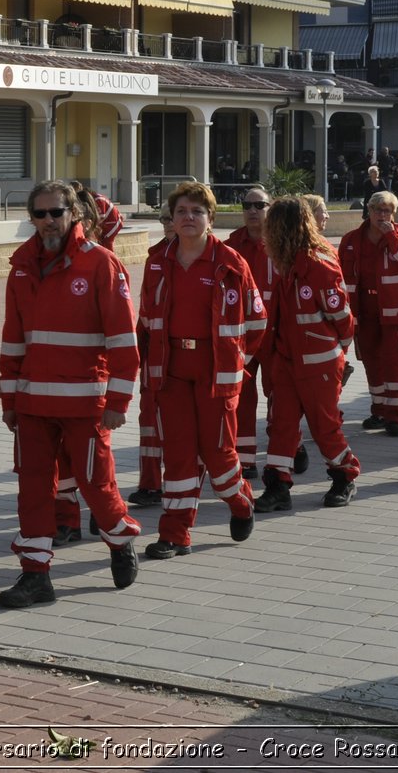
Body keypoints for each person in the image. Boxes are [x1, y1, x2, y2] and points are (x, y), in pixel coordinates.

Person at [0, 180, 142, 609]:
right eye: (38, 214)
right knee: (33, 491)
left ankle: (119, 540)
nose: (47, 222)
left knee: (98, 487)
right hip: (33, 406)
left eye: (55, 212)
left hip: (85, 404)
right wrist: (8, 401)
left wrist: (117, 403)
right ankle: (35, 575)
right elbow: (12, 341)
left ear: (74, 213)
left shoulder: (101, 264)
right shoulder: (21, 266)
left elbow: (123, 341)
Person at [136, 182, 261, 557]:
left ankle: (240, 502)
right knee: (178, 454)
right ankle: (174, 534)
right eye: (181, 212)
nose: (188, 218)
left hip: (215, 374)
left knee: (219, 453)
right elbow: (145, 319)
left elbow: (256, 322)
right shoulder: (157, 260)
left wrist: (235, 362)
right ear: (171, 219)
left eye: (196, 212)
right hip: (171, 370)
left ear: (210, 218)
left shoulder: (231, 262)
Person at [253, 197, 360, 511]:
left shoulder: (318, 263)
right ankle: (278, 486)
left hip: (318, 363)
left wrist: (340, 351)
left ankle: (345, 475)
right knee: (281, 424)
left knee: (323, 426)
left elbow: (341, 317)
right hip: (288, 360)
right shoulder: (287, 263)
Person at [50, 183, 127, 540]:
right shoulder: (48, 261)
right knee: (61, 458)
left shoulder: (103, 258)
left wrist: (86, 190)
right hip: (53, 381)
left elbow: (114, 216)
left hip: (92, 380)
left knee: (96, 457)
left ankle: (105, 510)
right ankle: (67, 518)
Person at [227, 187, 303, 477]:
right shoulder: (232, 245)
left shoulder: (283, 244)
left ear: (270, 209)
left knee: (281, 398)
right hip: (243, 339)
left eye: (259, 205)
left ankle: (289, 448)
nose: (252, 211)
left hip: (278, 338)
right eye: (247, 205)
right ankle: (245, 460)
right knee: (242, 399)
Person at [339, 191, 398, 437]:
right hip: (364, 311)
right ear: (368, 211)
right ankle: (379, 410)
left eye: (387, 211)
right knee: (372, 362)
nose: (382, 215)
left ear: (394, 214)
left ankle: (395, 416)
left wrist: (391, 236)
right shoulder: (351, 239)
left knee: (395, 363)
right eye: (377, 210)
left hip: (394, 313)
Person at [128, 211, 177, 506]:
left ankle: (181, 482)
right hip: (155, 356)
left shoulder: (215, 257)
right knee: (149, 421)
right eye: (165, 217)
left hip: (186, 359)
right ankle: (150, 484)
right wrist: (139, 353)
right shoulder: (155, 257)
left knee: (180, 425)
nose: (170, 222)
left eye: (176, 215)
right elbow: (145, 311)